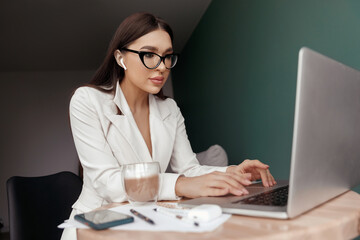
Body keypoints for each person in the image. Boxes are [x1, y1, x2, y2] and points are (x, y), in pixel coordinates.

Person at [61, 12, 276, 240]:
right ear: (120, 58)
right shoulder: (87, 100)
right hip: (95, 227)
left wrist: (232, 172)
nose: (162, 67)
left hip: (145, 223)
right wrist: (180, 185)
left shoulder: (169, 109)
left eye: (167, 56)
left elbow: (190, 169)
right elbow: (108, 183)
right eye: (149, 55)